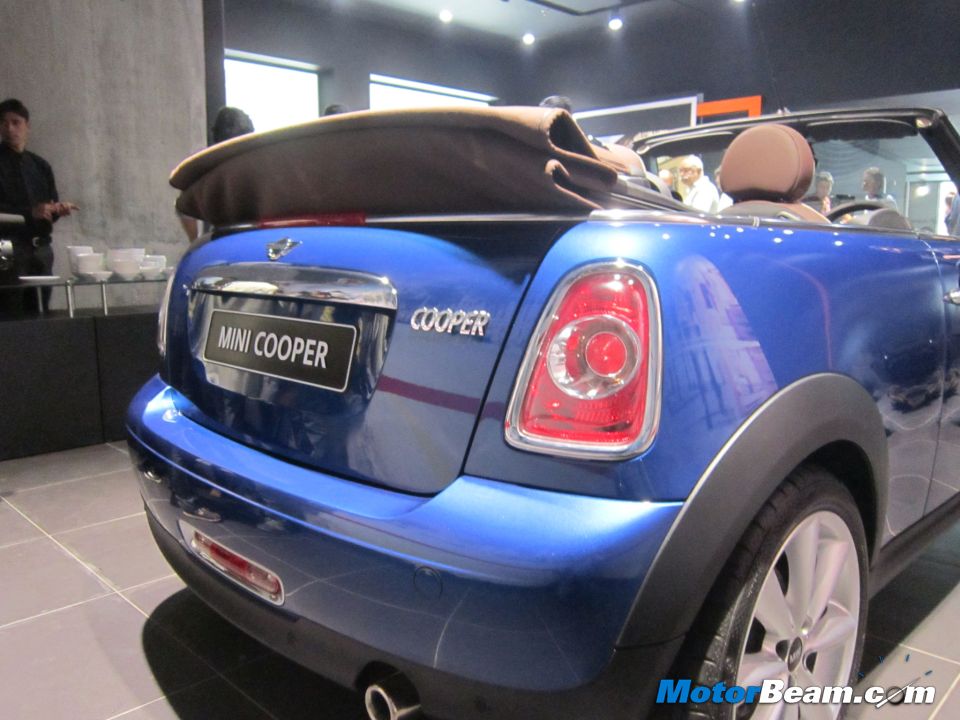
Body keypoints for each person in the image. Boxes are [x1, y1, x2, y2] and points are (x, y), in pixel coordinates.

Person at [0, 98, 78, 314]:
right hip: (4, 245)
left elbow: (49, 208)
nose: (9, 128)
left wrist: (57, 210)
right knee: (7, 306)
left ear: (27, 126)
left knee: (41, 307)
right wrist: (30, 213)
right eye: (4, 123)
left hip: (40, 246)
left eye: (16, 122)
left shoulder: (40, 165)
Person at [180, 107, 255, 241]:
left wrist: (194, 241)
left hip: (222, 239)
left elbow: (184, 208)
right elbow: (184, 208)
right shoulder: (257, 165)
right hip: (252, 237)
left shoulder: (206, 166)